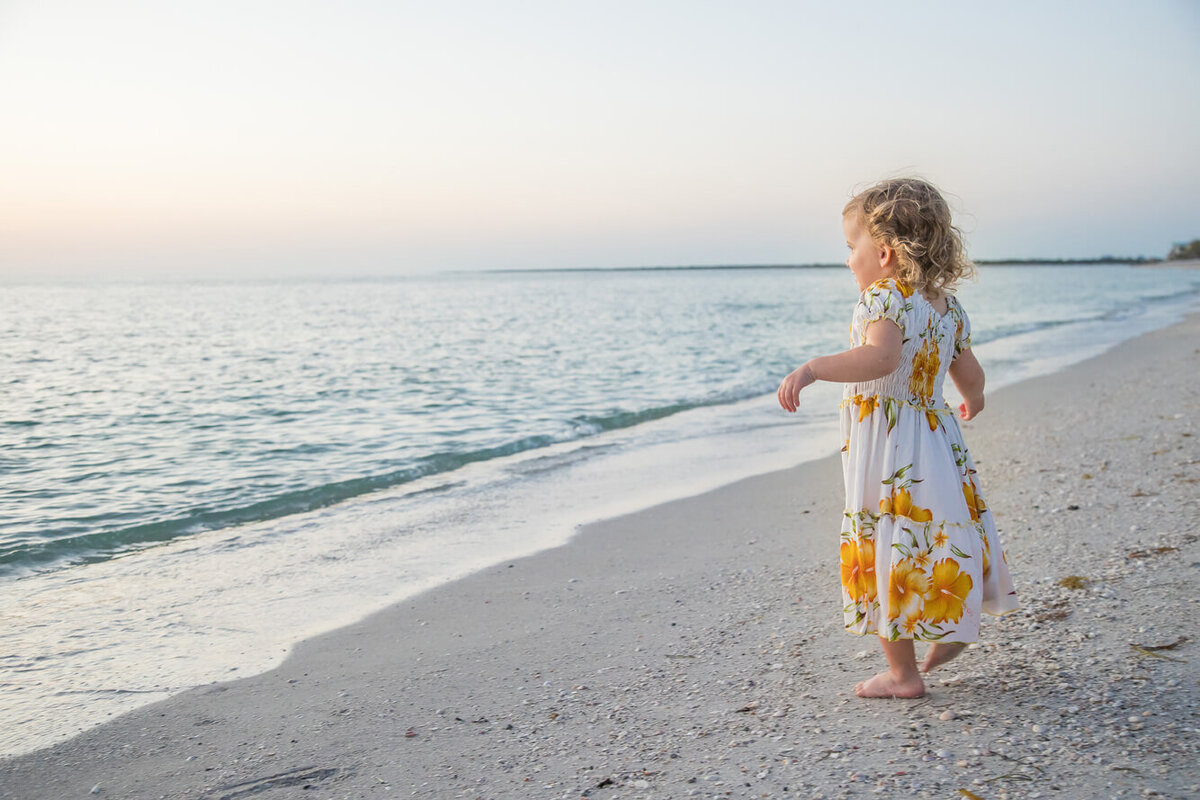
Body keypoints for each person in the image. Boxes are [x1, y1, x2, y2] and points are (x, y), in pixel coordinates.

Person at [777, 178, 1019, 698]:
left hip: (888, 448)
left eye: (851, 248)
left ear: (884, 254)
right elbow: (970, 373)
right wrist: (972, 401)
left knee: (886, 542)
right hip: (935, 437)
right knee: (939, 532)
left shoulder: (883, 298)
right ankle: (953, 625)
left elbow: (882, 358)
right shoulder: (946, 308)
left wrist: (814, 369)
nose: (848, 261)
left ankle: (903, 675)